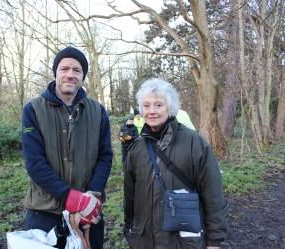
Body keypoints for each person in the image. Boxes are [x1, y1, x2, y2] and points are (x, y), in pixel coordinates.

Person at [21, 46, 113, 249]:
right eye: (64, 69)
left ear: (82, 76)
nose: (70, 74)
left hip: (88, 213)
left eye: (77, 70)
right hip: (45, 212)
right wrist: (69, 197)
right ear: (56, 72)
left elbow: (105, 156)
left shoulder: (98, 111)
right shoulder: (33, 110)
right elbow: (35, 163)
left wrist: (91, 197)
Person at [123, 78, 229, 249]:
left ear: (170, 109)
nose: (152, 111)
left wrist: (214, 241)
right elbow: (130, 198)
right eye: (147, 105)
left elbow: (213, 195)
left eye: (158, 105)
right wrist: (130, 231)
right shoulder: (136, 149)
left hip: (183, 242)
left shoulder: (195, 143)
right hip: (144, 241)